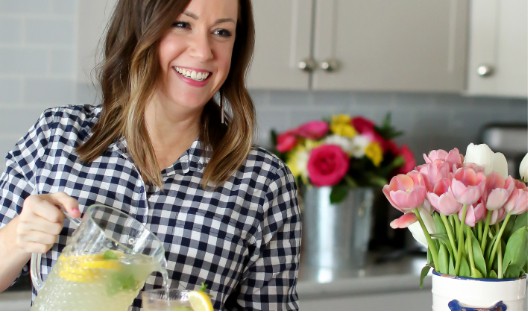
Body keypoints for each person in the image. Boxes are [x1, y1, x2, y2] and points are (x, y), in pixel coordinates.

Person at [0, 0, 302, 310]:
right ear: (139, 28)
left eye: (222, 32)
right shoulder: (57, 135)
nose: (203, 51)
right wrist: (17, 237)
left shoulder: (264, 182)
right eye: (182, 24)